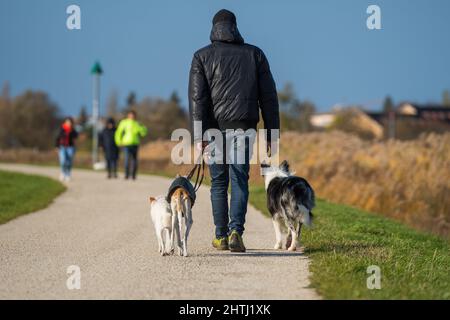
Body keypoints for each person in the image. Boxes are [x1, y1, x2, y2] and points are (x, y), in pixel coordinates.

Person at [189, 9, 280, 252]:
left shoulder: (201, 57)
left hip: (213, 131)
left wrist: (198, 136)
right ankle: (235, 232)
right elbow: (269, 98)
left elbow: (197, 99)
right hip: (243, 126)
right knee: (240, 180)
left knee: (219, 182)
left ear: (213, 28)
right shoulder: (255, 54)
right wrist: (272, 133)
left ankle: (220, 236)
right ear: (235, 27)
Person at [114, 110, 147, 180]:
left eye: (133, 115)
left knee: (135, 160)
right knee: (127, 159)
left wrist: (142, 127)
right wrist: (118, 141)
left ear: (135, 116)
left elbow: (143, 133)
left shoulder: (137, 123)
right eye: (130, 115)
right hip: (126, 143)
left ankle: (133, 175)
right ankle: (126, 174)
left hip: (135, 143)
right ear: (128, 115)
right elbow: (118, 132)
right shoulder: (124, 123)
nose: (132, 116)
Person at [55, 117, 78, 182]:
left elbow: (76, 136)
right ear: (65, 122)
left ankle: (68, 174)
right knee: (63, 160)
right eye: (67, 122)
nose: (68, 123)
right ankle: (62, 172)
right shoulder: (61, 129)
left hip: (70, 147)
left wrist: (72, 130)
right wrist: (56, 146)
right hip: (62, 147)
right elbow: (57, 138)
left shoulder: (73, 130)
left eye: (70, 122)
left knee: (69, 161)